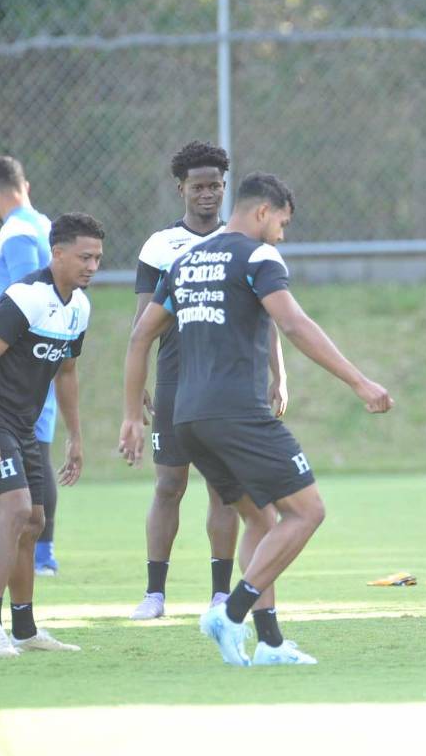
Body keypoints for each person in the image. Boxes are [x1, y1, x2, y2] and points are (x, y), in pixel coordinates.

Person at [119, 172, 394, 666]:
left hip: (187, 418)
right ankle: (233, 611)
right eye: (282, 223)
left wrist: (129, 416)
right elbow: (292, 323)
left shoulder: (185, 262)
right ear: (262, 212)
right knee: (308, 512)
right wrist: (359, 381)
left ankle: (269, 644)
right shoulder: (258, 256)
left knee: (262, 520)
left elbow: (140, 337)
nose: (282, 235)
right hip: (237, 415)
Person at [128, 142, 289, 621]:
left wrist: (278, 375)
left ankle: (221, 593)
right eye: (198, 186)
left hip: (230, 378)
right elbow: (143, 323)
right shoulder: (161, 246)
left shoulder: (247, 242)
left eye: (215, 185)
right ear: (180, 188)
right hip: (178, 376)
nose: (207, 194)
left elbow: (271, 314)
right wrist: (137, 386)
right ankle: (155, 591)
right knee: (169, 484)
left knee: (225, 488)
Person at [0, 213, 104, 657]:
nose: (92, 265)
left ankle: (24, 629)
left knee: (33, 522)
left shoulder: (80, 308)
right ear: (56, 253)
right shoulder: (26, 297)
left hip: (25, 426)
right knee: (14, 512)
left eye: (97, 258)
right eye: (84, 256)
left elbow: (66, 372)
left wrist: (75, 436)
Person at [0, 156, 61, 577]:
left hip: (15, 361)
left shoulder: (14, 231)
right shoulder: (45, 225)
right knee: (38, 449)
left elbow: (22, 293)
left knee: (18, 451)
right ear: (25, 185)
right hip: (44, 356)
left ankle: (18, 551)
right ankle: (42, 552)